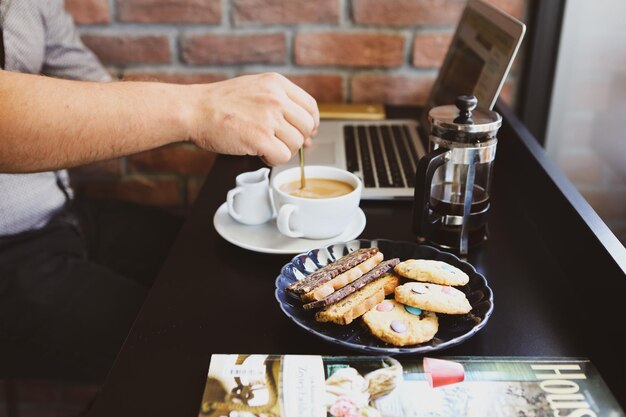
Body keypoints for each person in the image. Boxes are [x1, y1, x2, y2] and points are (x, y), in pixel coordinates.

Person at [0, 0, 318, 382]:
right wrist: (202, 108)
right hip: (12, 246)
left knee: (232, 278)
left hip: (62, 214)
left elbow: (90, 90)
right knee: (190, 351)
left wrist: (228, 111)